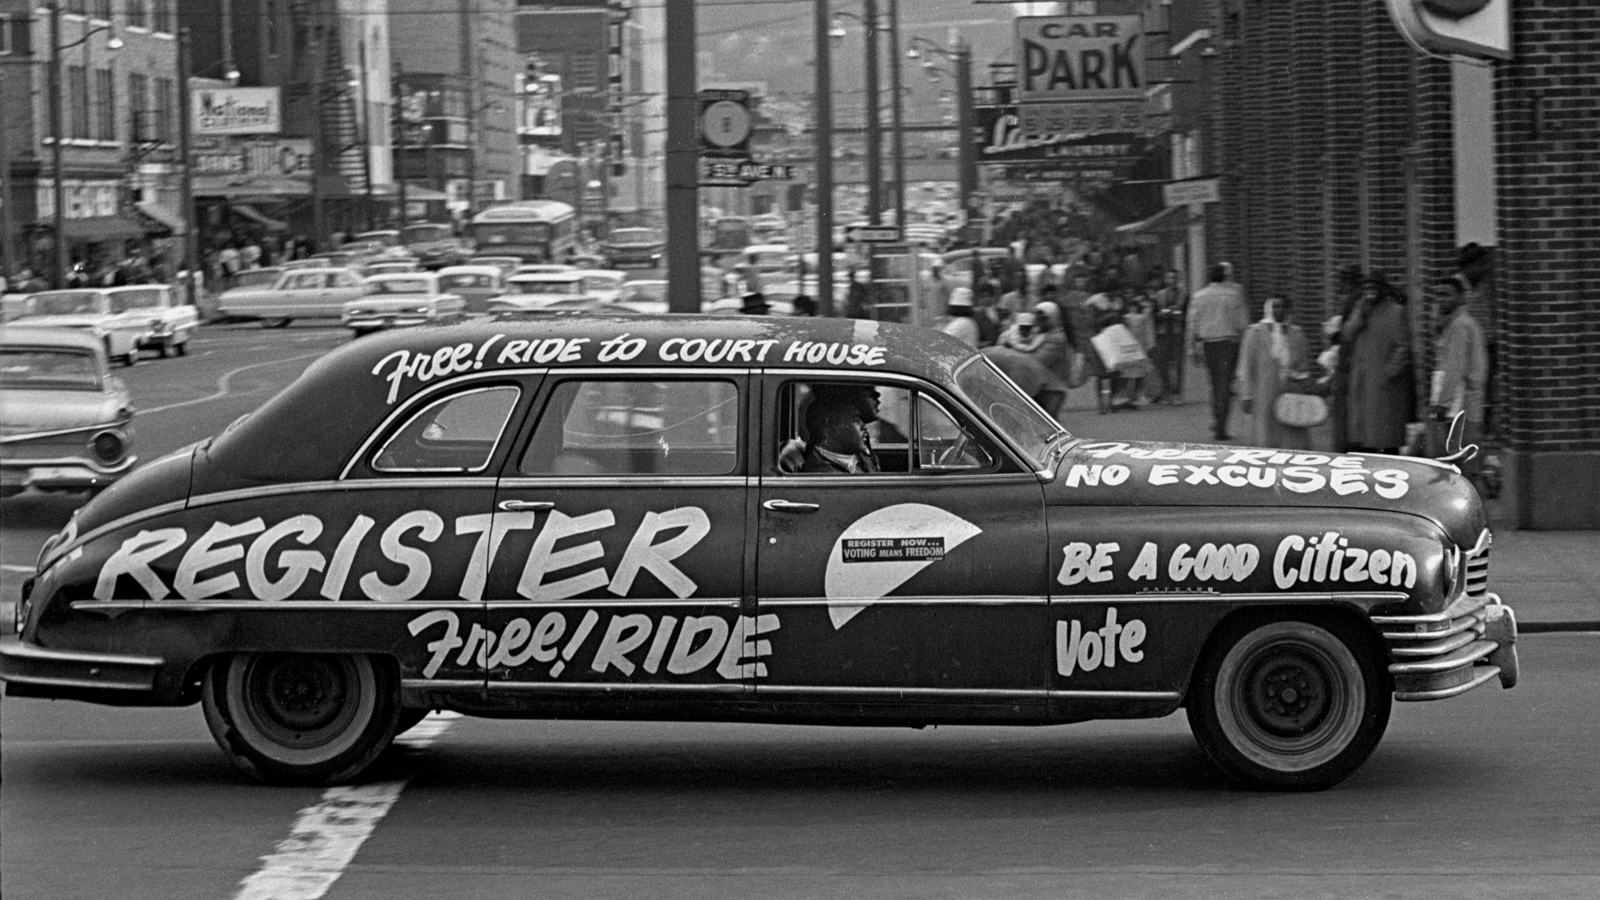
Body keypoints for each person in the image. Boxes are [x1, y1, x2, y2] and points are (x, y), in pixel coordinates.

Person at [1342, 273, 1415, 454]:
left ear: (1383, 289)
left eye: (1374, 287)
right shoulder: (1360, 309)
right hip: (1363, 380)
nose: (1370, 292)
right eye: (1367, 288)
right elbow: (1347, 334)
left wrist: (1389, 372)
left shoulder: (1395, 311)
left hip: (1385, 384)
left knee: (1386, 436)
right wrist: (1360, 315)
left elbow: (1403, 347)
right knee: (1364, 437)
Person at [1429, 275, 1487, 475]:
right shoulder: (1460, 323)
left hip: (1460, 407)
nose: (1441, 299)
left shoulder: (1459, 326)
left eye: (1447, 294)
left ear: (1461, 297)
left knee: (1459, 469)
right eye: (1438, 295)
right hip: (1466, 405)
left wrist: (1442, 403)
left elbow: (1454, 368)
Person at [1236, 296, 1313, 449]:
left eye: (1282, 307)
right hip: (1263, 391)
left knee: (1291, 427)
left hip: (1290, 388)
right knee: (1266, 430)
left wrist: (1303, 382)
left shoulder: (1297, 333)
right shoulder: (1255, 333)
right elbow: (1246, 366)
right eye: (1275, 307)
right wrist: (1246, 395)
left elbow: (1304, 363)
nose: (1278, 310)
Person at [1187, 263, 1251, 440]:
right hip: (1229, 343)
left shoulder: (1199, 296)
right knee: (1225, 384)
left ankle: (1218, 418)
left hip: (1209, 344)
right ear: (1225, 277)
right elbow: (1243, 324)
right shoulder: (1235, 295)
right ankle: (1221, 424)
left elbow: (1192, 325)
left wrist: (1191, 348)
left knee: (1215, 384)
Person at [1325, 265, 1365, 452]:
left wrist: (1335, 336)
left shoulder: (1354, 300)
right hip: (1349, 358)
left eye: (1342, 281)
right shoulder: (1355, 298)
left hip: (1350, 361)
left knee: (1345, 405)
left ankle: (1346, 446)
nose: (1339, 285)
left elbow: (1349, 332)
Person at [798, 385, 881, 474]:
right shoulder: (825, 474)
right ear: (832, 430)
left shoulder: (854, 457)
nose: (864, 426)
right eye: (855, 420)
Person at [1150, 268, 1188, 403]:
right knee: (1162, 363)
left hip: (1178, 331)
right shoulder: (1159, 295)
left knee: (1178, 364)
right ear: (1165, 280)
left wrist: (1180, 315)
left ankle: (1177, 392)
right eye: (1169, 278)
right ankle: (1167, 390)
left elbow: (1188, 313)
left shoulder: (1184, 294)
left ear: (1177, 279)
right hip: (1163, 332)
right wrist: (1161, 314)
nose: (1171, 281)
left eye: (1174, 278)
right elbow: (1153, 314)